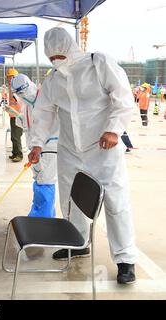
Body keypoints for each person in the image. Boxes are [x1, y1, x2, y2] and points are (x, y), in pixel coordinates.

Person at [28, 27, 137, 284]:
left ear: (70, 48)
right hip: (70, 149)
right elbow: (44, 113)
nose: (56, 59)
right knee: (71, 200)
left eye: (60, 54)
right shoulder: (54, 80)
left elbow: (123, 97)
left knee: (115, 201)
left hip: (104, 148)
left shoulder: (97, 64)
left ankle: (125, 259)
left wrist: (114, 130)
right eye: (51, 56)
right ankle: (78, 243)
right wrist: (37, 144)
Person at [11, 73, 59, 218]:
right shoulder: (26, 104)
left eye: (23, 91)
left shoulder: (46, 100)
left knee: (46, 182)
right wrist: (17, 116)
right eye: (19, 93)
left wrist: (39, 145)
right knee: (39, 180)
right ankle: (43, 214)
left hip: (49, 147)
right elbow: (28, 124)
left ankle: (42, 219)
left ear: (30, 85)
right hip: (34, 149)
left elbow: (50, 123)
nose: (22, 95)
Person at [5, 68, 24, 162]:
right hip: (13, 115)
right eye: (8, 77)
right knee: (13, 137)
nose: (8, 79)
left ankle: (19, 155)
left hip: (18, 116)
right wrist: (8, 108)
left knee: (16, 136)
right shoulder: (11, 87)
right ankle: (14, 153)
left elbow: (20, 102)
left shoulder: (18, 88)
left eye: (10, 77)